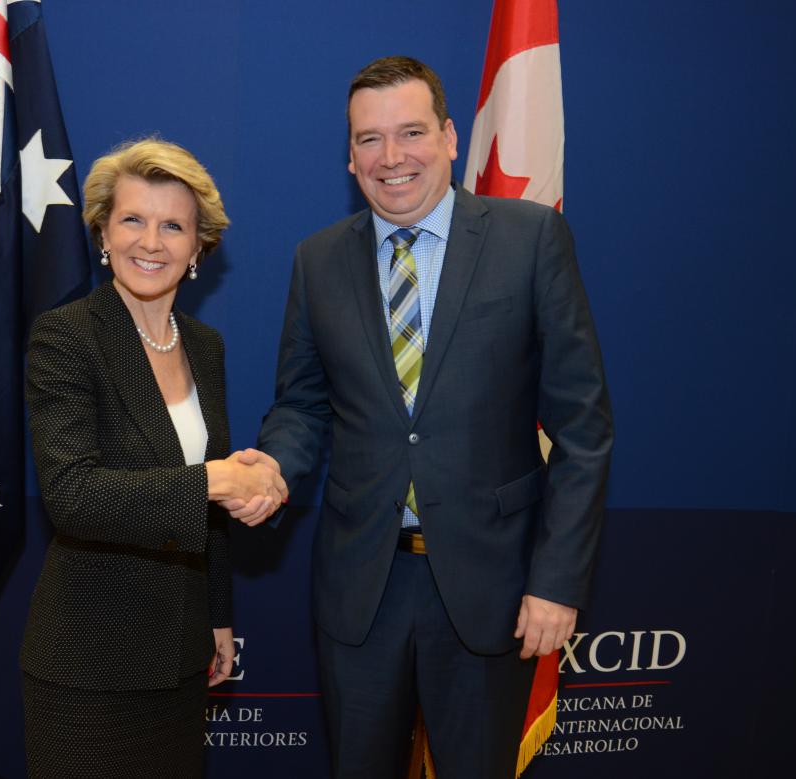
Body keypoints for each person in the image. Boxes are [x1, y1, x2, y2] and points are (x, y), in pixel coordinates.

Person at [244, 56, 614, 777]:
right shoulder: (316, 261)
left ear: (448, 136)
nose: (392, 157)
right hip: (361, 591)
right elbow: (301, 402)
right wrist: (275, 466)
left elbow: (584, 427)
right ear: (349, 157)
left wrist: (558, 579)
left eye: (410, 132)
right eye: (369, 139)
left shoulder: (531, 239)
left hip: (493, 590)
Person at [20, 138, 286, 778]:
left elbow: (208, 506)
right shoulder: (66, 335)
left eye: (174, 226)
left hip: (181, 657)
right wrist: (215, 480)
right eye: (133, 219)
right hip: (87, 662)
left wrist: (218, 617)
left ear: (198, 248)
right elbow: (74, 497)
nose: (151, 241)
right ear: (102, 233)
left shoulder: (205, 345)